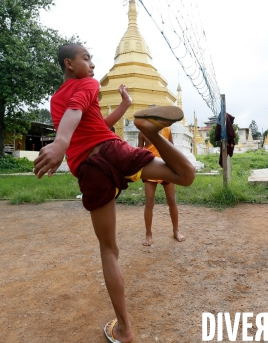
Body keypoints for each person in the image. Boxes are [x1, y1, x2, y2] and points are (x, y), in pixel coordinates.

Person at [33, 43, 195, 343]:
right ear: (69, 64)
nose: (93, 64)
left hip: (90, 167)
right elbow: (76, 114)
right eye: (86, 58)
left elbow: (85, 119)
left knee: (109, 250)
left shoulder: (57, 99)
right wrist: (61, 142)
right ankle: (151, 132)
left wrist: (121, 106)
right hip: (113, 150)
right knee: (186, 175)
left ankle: (124, 328)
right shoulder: (88, 84)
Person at [138, 119, 185, 246]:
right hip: (150, 168)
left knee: (171, 200)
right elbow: (139, 152)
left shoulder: (166, 130)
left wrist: (176, 167)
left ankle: (176, 231)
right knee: (149, 201)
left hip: (166, 167)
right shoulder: (143, 132)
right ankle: (148, 234)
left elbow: (172, 150)